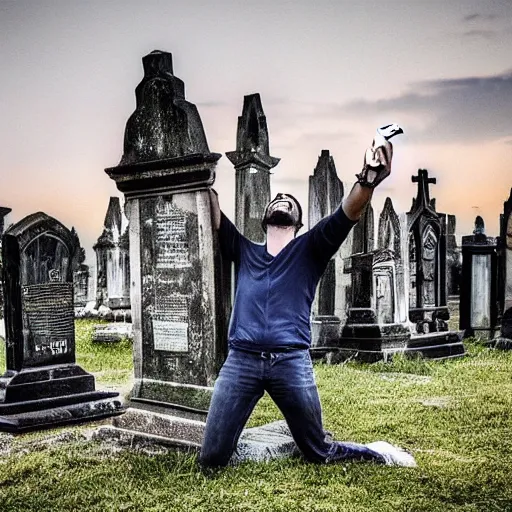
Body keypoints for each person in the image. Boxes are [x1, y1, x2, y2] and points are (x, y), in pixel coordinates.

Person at [199, 126, 416, 468]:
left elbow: (349, 212)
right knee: (211, 458)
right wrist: (204, 179)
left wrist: (369, 178)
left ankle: (378, 453)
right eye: (277, 199)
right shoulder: (243, 249)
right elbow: (210, 213)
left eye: (290, 201)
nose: (282, 199)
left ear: (298, 222)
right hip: (241, 362)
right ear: (266, 218)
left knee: (318, 451)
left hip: (290, 362)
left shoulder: (310, 249)